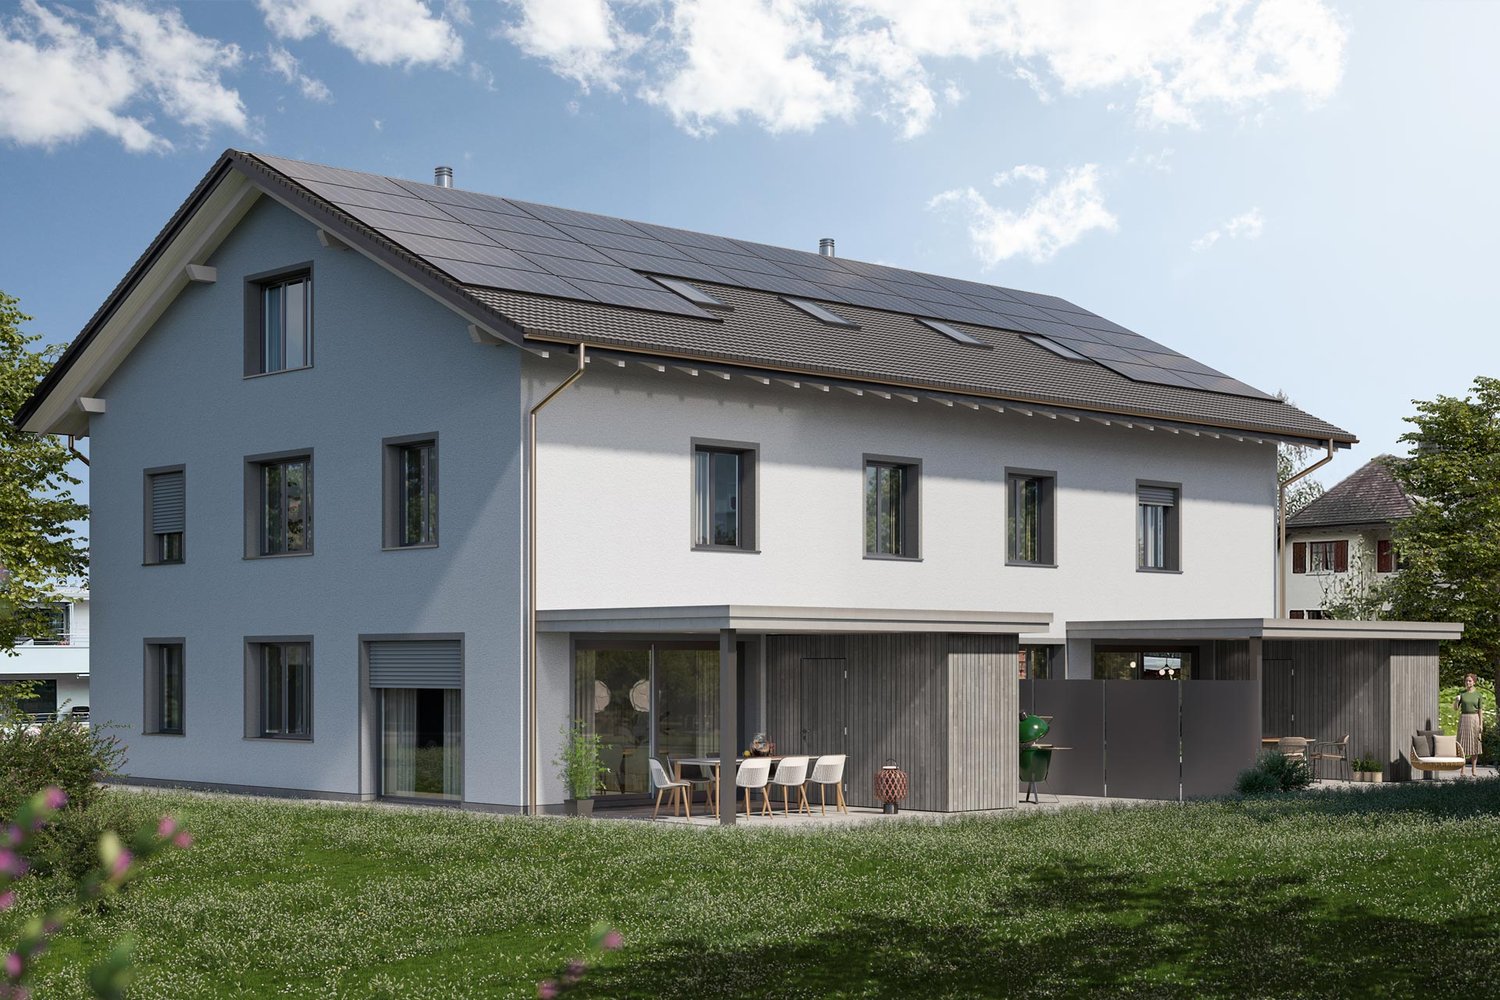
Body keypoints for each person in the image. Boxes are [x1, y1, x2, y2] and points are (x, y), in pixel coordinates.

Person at [1454, 673, 1485, 777]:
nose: (1467, 682)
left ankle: (1474, 769)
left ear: (1474, 682)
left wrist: (1481, 724)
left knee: (1474, 744)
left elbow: (1480, 711)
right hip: (1464, 719)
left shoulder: (1478, 695)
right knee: (1462, 744)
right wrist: (1456, 700)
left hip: (1474, 719)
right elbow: (1455, 708)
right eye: (1466, 681)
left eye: (1470, 681)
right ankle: (1462, 769)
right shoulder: (1462, 694)